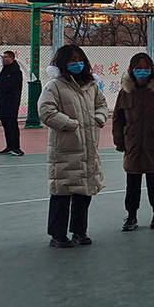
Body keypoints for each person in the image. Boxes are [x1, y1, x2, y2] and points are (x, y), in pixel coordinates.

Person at [38, 45, 107, 248]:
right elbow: (46, 111)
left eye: (79, 59)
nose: (77, 63)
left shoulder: (91, 85)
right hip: (65, 149)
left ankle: (79, 231)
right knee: (62, 192)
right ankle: (57, 235)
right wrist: (70, 124)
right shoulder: (54, 86)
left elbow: (102, 105)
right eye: (72, 59)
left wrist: (98, 118)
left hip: (88, 147)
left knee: (84, 192)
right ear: (62, 62)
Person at [113, 53, 154, 231]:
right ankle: (131, 215)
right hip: (132, 144)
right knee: (132, 183)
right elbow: (118, 118)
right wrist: (120, 141)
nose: (142, 71)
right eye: (138, 68)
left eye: (146, 68)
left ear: (152, 69)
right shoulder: (125, 91)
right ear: (131, 70)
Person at [0, 50, 24, 156]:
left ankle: (16, 148)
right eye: (4, 57)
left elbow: (12, 87)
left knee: (12, 124)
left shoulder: (16, 71)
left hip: (11, 102)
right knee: (5, 124)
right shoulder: (4, 70)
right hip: (2, 102)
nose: (5, 59)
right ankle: (9, 146)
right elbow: (0, 84)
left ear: (12, 58)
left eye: (7, 57)